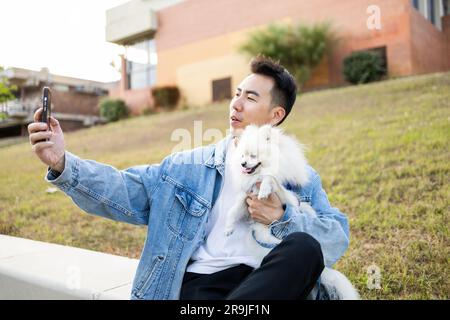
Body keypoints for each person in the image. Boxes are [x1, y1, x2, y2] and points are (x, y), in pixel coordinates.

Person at [28, 56, 349, 300]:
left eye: (250, 98)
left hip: (262, 287)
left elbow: (334, 239)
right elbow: (125, 190)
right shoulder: (189, 167)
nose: (235, 104)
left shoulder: (301, 179)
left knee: (305, 247)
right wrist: (61, 162)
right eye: (237, 94)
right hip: (195, 291)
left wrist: (282, 217)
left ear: (275, 115)